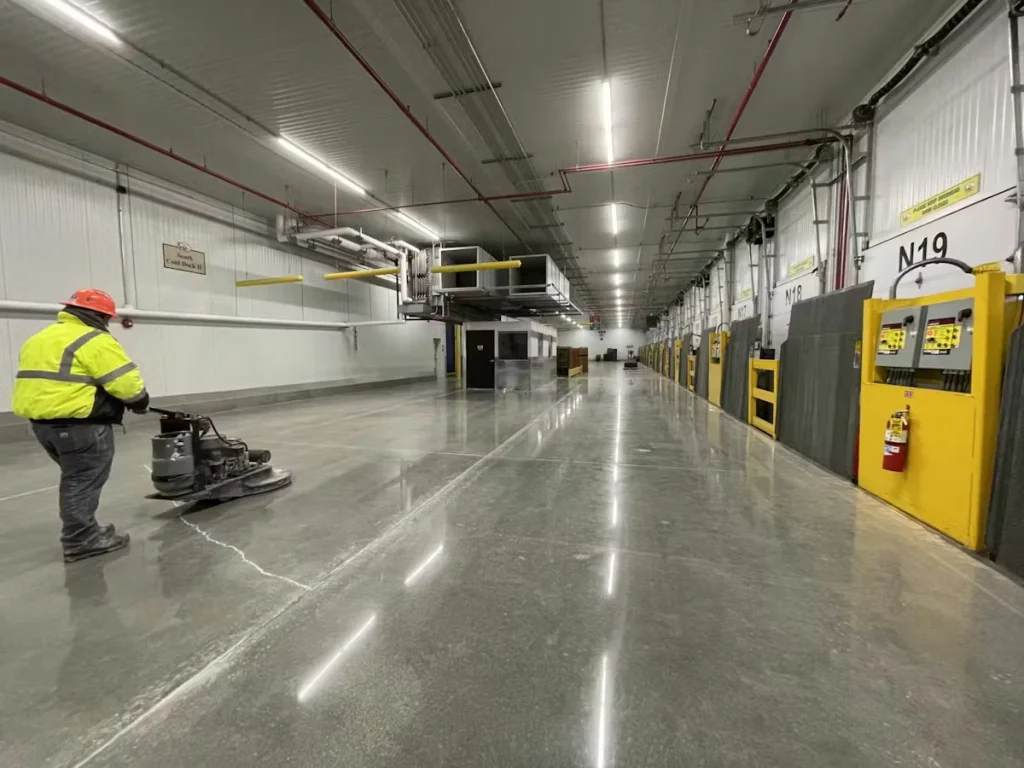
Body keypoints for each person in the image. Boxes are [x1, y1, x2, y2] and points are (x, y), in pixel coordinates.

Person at [12, 289, 149, 563]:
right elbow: (124, 382)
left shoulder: (39, 338)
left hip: (42, 426)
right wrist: (140, 401)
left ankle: (85, 529)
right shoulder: (94, 339)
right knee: (82, 480)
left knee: (76, 478)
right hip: (79, 425)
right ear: (99, 316)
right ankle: (80, 540)